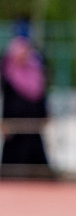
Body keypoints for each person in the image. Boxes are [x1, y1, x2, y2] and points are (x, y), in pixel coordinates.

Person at [1, 21, 52, 180]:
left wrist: (46, 113)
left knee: (37, 166)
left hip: (33, 123)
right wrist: (4, 121)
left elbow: (42, 93)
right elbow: (5, 97)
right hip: (15, 125)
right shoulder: (8, 69)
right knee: (13, 165)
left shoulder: (37, 66)